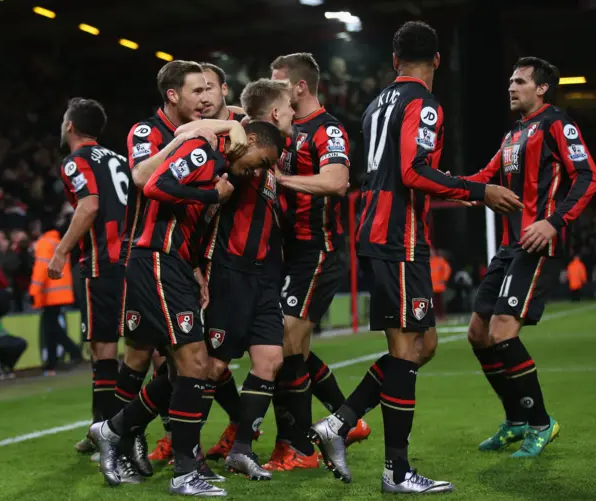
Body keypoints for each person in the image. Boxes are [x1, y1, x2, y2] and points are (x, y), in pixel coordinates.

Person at [308, 20, 523, 494]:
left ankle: (338, 424)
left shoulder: (377, 102)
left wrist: (454, 186)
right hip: (396, 237)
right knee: (408, 351)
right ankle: (396, 471)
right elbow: (411, 170)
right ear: (438, 61)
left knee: (422, 347)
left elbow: (397, 167)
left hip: (380, 231)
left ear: (394, 59)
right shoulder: (422, 103)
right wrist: (478, 189)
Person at [90, 120, 285, 496]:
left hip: (177, 265)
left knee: (189, 367)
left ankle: (115, 432)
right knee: (194, 362)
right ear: (251, 140)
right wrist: (215, 195)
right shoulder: (202, 151)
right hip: (158, 259)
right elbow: (155, 185)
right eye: (263, 160)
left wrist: (197, 270)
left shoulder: (219, 165)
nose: (260, 170)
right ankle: (181, 470)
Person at [105, 60, 246, 466]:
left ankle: (127, 434)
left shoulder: (207, 137)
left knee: (174, 360)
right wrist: (189, 138)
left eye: (210, 90)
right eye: (197, 91)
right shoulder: (149, 132)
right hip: (150, 255)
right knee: (144, 353)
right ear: (173, 95)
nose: (206, 99)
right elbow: (142, 178)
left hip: (178, 261)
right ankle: (125, 435)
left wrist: (199, 267)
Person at [465, 56, 596, 457]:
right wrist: (436, 184)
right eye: (510, 80)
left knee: (503, 332)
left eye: (520, 81)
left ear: (541, 88)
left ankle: (541, 422)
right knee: (478, 334)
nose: (511, 87)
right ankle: (516, 421)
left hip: (536, 243)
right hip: (508, 247)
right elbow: (485, 178)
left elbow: (588, 175)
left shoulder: (557, 123)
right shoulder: (513, 135)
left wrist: (553, 222)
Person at [264, 52, 369, 472]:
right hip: (290, 255)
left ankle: (298, 448)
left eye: (278, 82)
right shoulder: (285, 129)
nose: (274, 89)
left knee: (283, 345)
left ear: (300, 86)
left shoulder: (328, 129)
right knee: (296, 350)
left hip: (317, 251)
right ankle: (348, 420)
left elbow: (337, 181)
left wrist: (281, 180)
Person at [194, 78, 294, 481]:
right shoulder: (233, 148)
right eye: (287, 106)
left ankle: (241, 450)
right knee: (212, 367)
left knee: (270, 360)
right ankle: (184, 452)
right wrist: (197, 266)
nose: (293, 112)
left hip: (263, 277)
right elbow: (205, 208)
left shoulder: (269, 158)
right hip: (229, 270)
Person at [52, 97, 131, 465]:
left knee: (103, 351)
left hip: (102, 263)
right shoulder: (118, 159)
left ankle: (106, 431)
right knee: (148, 349)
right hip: (134, 262)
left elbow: (89, 205)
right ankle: (113, 429)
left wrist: (60, 251)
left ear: (70, 126)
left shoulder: (75, 161)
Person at [29, 215, 80, 374]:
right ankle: (52, 362)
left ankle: (73, 352)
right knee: (51, 328)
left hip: (50, 294)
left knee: (51, 328)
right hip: (62, 291)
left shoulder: (44, 243)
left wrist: (33, 292)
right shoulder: (59, 242)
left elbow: (41, 269)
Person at [430, 248, 451, 320]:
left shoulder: (440, 260)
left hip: (439, 286)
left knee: (439, 302)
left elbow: (447, 269)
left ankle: (441, 315)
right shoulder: (428, 261)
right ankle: (435, 316)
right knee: (432, 302)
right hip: (430, 286)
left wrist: (444, 279)